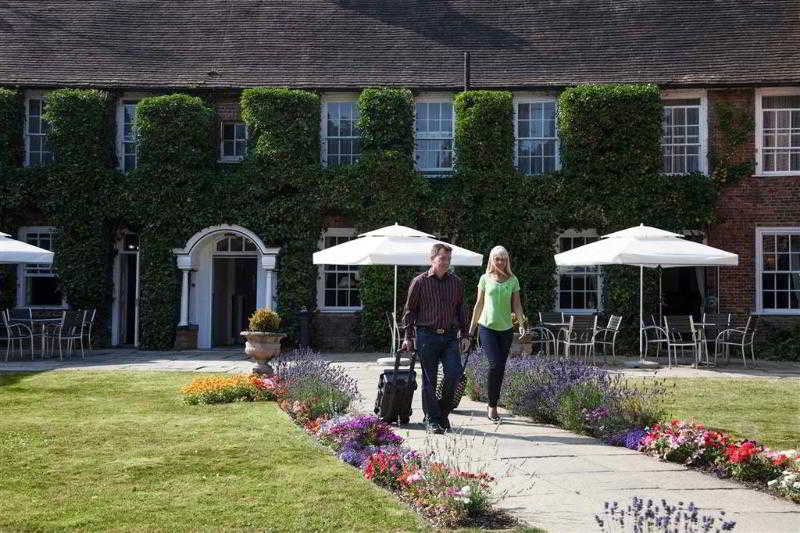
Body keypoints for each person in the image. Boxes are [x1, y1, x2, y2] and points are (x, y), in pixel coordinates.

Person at [401, 243, 470, 434]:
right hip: (426, 335)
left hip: (450, 336)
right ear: (432, 259)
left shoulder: (456, 282)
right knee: (429, 380)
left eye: (449, 259)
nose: (446, 262)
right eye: (442, 258)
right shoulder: (419, 282)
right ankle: (432, 419)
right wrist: (408, 336)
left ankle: (442, 413)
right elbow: (409, 311)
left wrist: (465, 334)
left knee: (454, 374)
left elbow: (462, 309)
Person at [468, 245, 526, 422]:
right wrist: (471, 330)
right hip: (487, 327)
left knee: (500, 367)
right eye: (497, 259)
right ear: (492, 260)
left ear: (507, 260)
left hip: (506, 329)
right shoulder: (484, 279)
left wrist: (521, 324)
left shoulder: (513, 280)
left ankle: (493, 403)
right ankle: (492, 407)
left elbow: (517, 305)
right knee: (494, 365)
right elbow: (479, 304)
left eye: (503, 259)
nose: (500, 262)